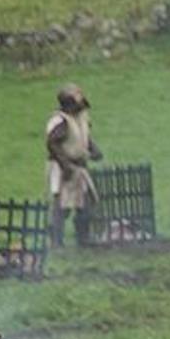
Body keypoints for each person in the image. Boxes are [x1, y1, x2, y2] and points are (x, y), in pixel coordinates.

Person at [42, 86, 97, 247]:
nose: (81, 98)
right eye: (77, 96)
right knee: (62, 205)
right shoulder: (60, 121)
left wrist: (93, 149)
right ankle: (56, 241)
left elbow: (83, 137)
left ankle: (83, 238)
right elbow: (53, 144)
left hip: (79, 166)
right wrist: (65, 165)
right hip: (62, 167)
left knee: (85, 203)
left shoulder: (81, 117)